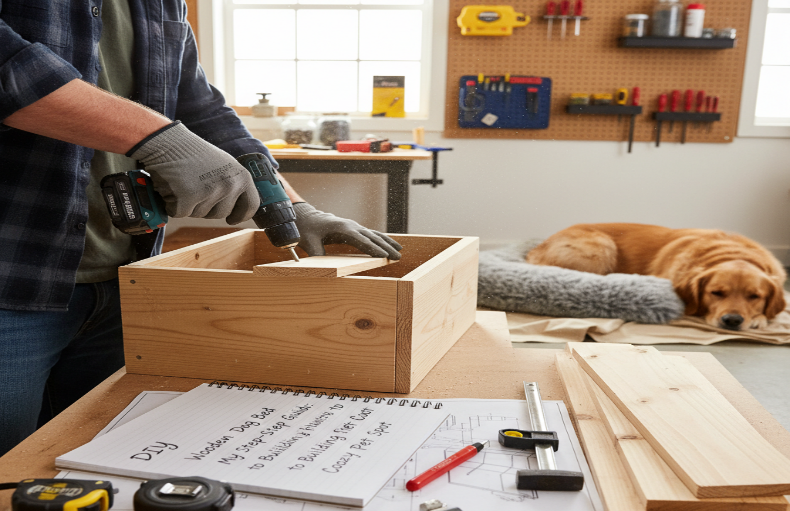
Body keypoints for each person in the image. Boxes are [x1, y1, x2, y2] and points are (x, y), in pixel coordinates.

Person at [0, 0, 402, 457]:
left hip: (129, 277)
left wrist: (291, 206)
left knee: (92, 456)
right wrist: (159, 137)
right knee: (8, 464)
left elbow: (202, 109)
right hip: (15, 277)